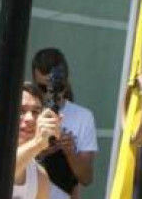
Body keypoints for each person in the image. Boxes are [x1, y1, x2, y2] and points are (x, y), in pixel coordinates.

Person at [30, 48, 97, 199]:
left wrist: (68, 150)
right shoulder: (25, 112)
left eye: (55, 87)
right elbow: (10, 166)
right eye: (42, 88)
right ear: (34, 82)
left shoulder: (83, 117)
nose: (49, 94)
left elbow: (86, 178)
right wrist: (40, 150)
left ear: (66, 83)